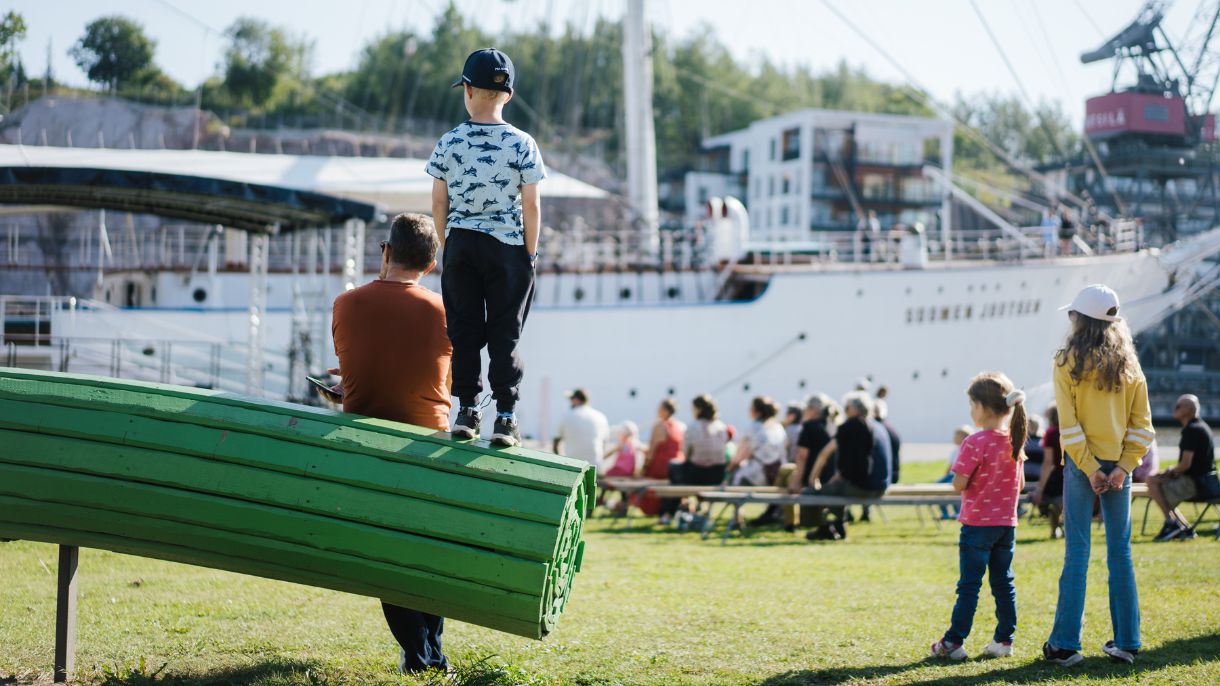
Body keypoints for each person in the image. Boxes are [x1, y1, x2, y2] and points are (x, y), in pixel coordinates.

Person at [330, 212, 452, 674]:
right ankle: (429, 653)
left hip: (367, 451)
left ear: (386, 252)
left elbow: (360, 365)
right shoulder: (444, 311)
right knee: (427, 549)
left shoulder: (345, 303)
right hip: (427, 450)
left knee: (389, 552)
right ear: (431, 263)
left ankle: (419, 653)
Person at [429, 48, 546, 447]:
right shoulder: (523, 143)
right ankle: (506, 417)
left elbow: (438, 202)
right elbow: (531, 204)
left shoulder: (450, 141)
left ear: (466, 90)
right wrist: (529, 253)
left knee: (464, 333)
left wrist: (448, 244)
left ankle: (466, 411)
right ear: (508, 95)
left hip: (461, 244)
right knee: (504, 335)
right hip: (508, 248)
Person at [1043, 284, 1150, 667]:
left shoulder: (1065, 362)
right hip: (1119, 465)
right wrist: (1122, 468)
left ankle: (1065, 644)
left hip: (1081, 467)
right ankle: (1127, 642)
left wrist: (1090, 469)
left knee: (1078, 554)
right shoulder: (1131, 365)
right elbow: (1143, 427)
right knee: (1120, 553)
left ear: (1079, 319)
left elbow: (1068, 429)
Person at [930, 372, 1027, 661]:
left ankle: (953, 642)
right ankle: (1004, 640)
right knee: (1003, 583)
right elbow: (1019, 485)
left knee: (969, 585)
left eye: (972, 405)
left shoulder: (974, 442)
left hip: (977, 526)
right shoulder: (1015, 438)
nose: (971, 411)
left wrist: (963, 480)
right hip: (1005, 526)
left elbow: (959, 482)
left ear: (983, 407)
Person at [805, 392, 891, 540]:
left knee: (811, 494)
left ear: (852, 408)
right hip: (882, 486)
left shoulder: (853, 426)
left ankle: (824, 528)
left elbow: (825, 453)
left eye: (846, 407)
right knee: (837, 487)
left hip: (864, 488)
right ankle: (837, 525)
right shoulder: (878, 426)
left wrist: (813, 478)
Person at [1146, 394, 1218, 541]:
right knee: (1155, 481)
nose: (1174, 408)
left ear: (1188, 409)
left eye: (1178, 406)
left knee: (1152, 482)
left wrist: (1168, 471)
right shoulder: (1201, 426)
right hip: (1207, 482)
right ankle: (1182, 527)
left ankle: (1172, 523)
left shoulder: (1191, 430)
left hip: (1195, 484)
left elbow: (1185, 464)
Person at [786, 393, 840, 529]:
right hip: (831, 475)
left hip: (814, 476)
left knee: (787, 477)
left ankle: (789, 521)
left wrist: (797, 480)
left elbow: (802, 456)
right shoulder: (832, 425)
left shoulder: (809, 427)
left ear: (813, 409)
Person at [641, 399, 686, 521]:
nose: (657, 411)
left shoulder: (660, 426)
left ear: (665, 411)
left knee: (642, 479)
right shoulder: (681, 426)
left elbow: (651, 451)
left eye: (659, 408)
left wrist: (643, 468)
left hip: (661, 468)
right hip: (677, 468)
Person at [728, 396, 787, 486]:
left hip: (755, 475)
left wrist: (729, 469)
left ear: (757, 411)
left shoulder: (753, 427)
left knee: (733, 479)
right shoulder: (778, 427)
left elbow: (738, 457)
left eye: (751, 408)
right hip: (777, 473)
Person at [553, 388, 610, 469]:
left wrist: (559, 464)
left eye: (571, 399)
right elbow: (604, 444)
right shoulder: (601, 417)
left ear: (576, 400)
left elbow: (556, 443)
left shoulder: (566, 415)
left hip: (572, 467)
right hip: (595, 467)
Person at [682, 394, 730, 486]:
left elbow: (686, 454)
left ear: (699, 409)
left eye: (693, 409)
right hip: (718, 474)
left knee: (674, 467)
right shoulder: (721, 426)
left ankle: (678, 499)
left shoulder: (692, 426)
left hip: (698, 474)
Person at [1034, 404, 1065, 539]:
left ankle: (1055, 527)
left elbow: (1048, 462)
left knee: (1053, 503)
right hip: (1074, 473)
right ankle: (1060, 527)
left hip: (1058, 476)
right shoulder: (1073, 431)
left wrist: (1040, 488)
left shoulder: (1051, 433)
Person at [937, 425, 973, 520]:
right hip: (951, 475)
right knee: (938, 487)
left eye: (957, 436)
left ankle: (957, 512)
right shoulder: (955, 451)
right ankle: (945, 513)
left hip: (959, 475)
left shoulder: (968, 449)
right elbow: (950, 467)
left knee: (956, 491)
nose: (954, 438)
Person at [1024, 414, 1045, 483]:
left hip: (1038, 479)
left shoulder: (1043, 441)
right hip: (1024, 478)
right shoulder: (1023, 441)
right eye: (1029, 425)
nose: (1031, 427)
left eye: (1033, 425)